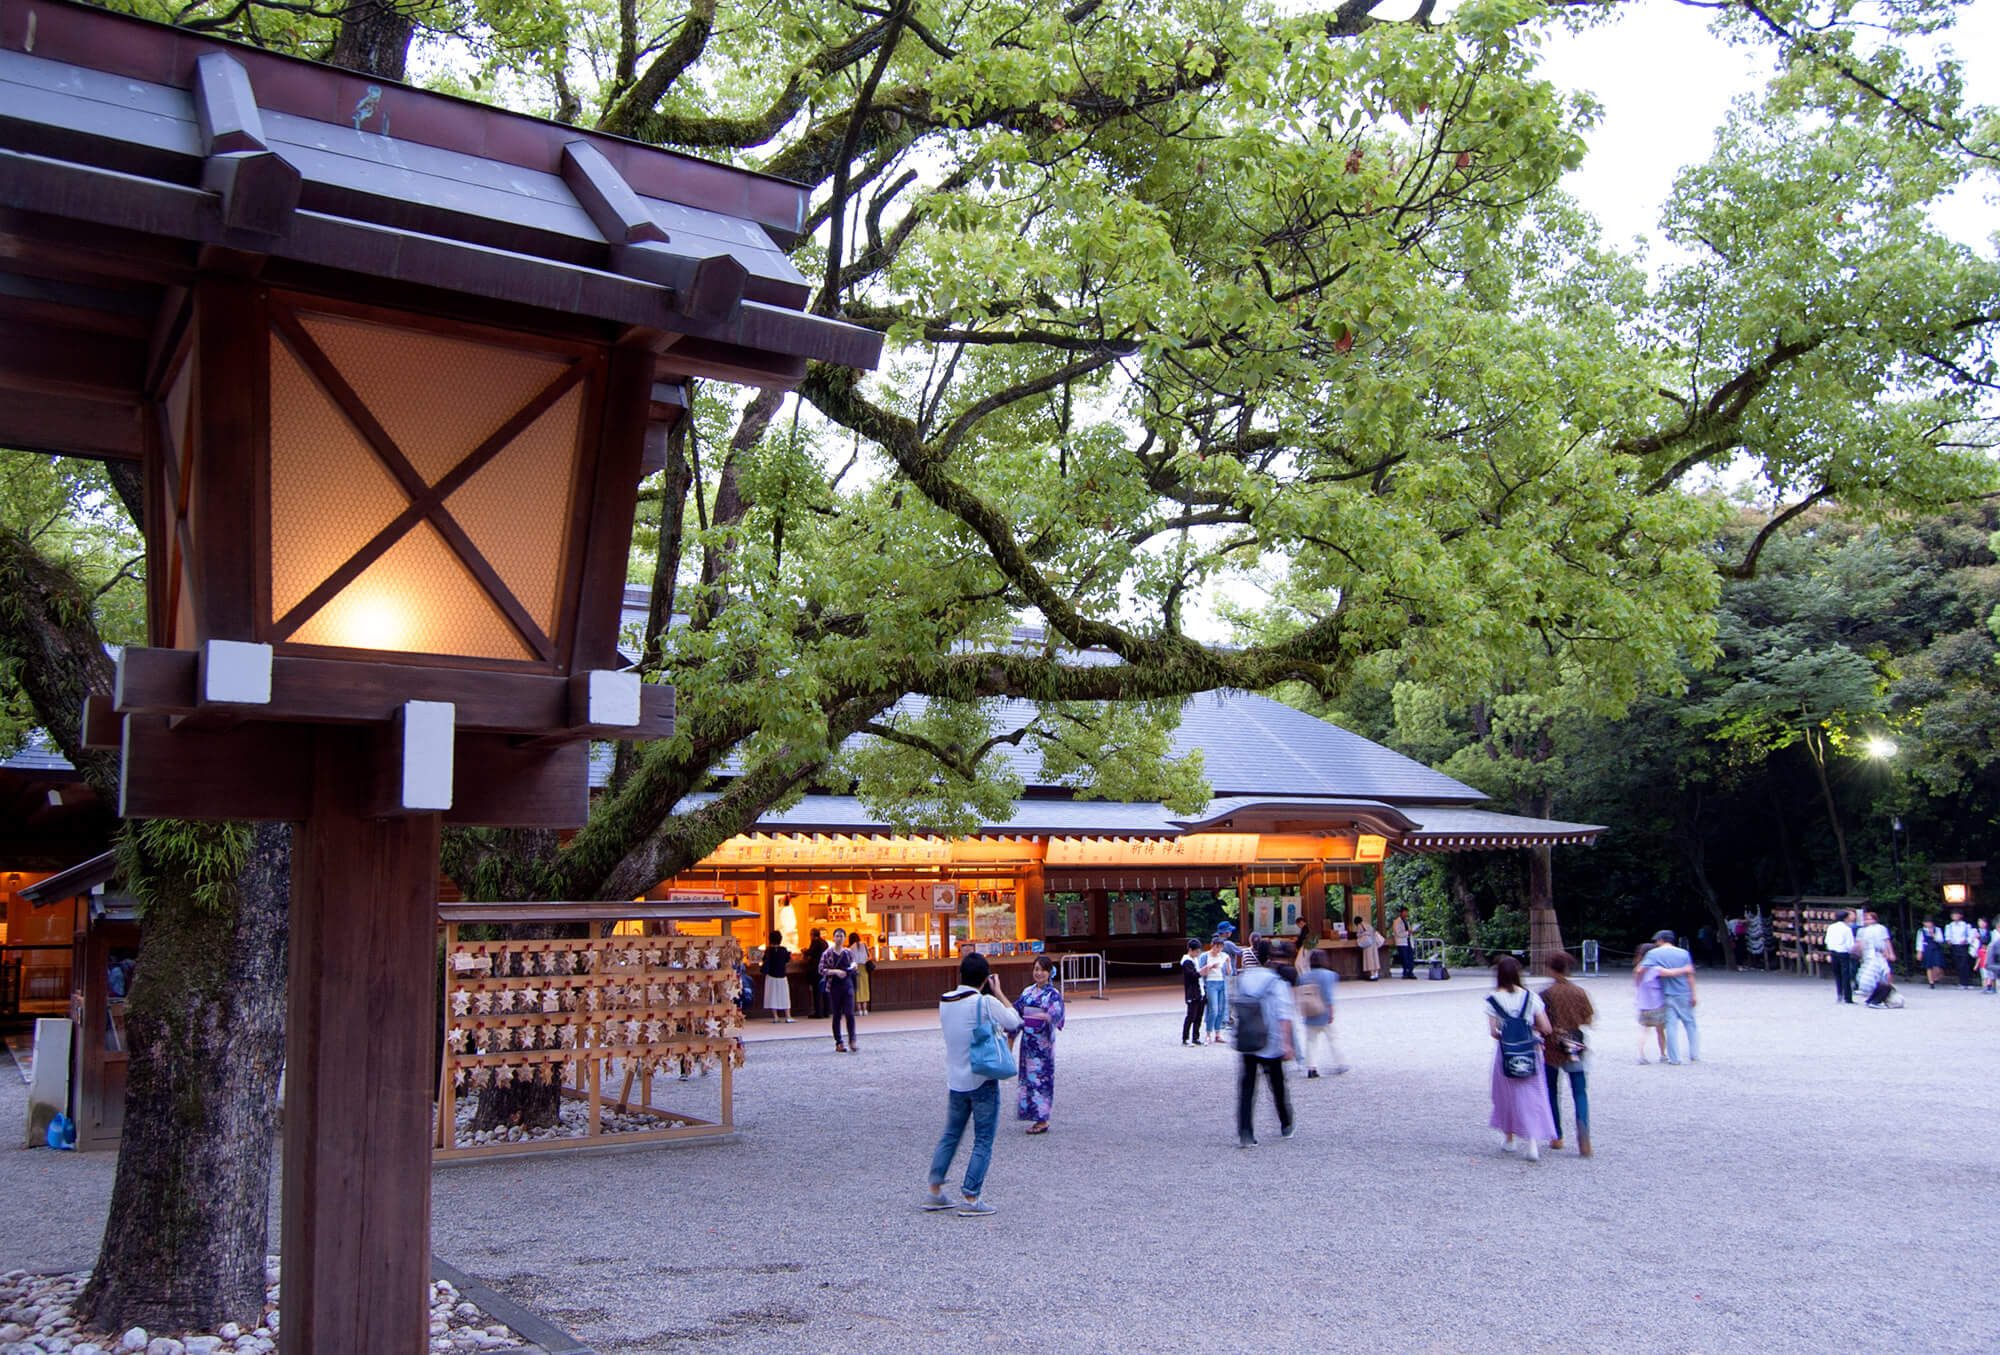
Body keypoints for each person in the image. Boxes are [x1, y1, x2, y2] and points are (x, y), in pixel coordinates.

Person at [921, 953, 1022, 1217]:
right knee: (983, 1138)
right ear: (986, 978)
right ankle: (971, 1195)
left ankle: (934, 1190)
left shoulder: (945, 1001)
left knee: (951, 1134)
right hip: (981, 1078)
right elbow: (1014, 1021)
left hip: (955, 1079)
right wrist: (998, 992)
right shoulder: (985, 1003)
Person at [1485, 954, 1557, 1161]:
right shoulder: (1531, 997)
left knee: (1506, 1094)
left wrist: (1507, 1032)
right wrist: (1528, 1028)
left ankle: (1510, 1138)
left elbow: (1493, 1032)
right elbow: (1546, 1027)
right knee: (1532, 1095)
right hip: (1529, 1051)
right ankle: (1533, 1142)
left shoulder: (1493, 999)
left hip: (1506, 1052)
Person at [1235, 938, 1298, 1148]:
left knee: (1247, 1086)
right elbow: (1284, 1014)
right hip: (1270, 1040)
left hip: (1248, 1037)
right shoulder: (1276, 982)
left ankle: (1245, 1130)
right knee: (1277, 1084)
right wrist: (1288, 1043)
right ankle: (1286, 1122)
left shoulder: (1244, 978)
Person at [1539, 951, 1594, 1157]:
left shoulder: (1545, 994)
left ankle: (1556, 1135)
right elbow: (1587, 1019)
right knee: (1580, 1091)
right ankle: (1584, 1131)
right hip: (1575, 1045)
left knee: (1552, 1091)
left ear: (1551, 969)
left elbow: (1540, 1021)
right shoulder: (1579, 992)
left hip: (1552, 1047)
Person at [1012, 956, 1066, 1133]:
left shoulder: (1053, 995)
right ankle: (1033, 1115)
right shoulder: (1027, 992)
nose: (1038, 973)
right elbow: (1016, 1012)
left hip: (1042, 1045)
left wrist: (1040, 1017)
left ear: (1049, 972)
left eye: (1042, 969)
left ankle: (1042, 1119)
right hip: (1028, 1043)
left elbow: (1056, 1016)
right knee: (1028, 1079)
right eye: (1036, 969)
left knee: (1041, 1080)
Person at [1639, 929, 1698, 1065]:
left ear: (1661, 940)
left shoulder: (1654, 954)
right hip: (1683, 992)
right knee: (1690, 1024)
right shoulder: (1684, 953)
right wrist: (1693, 994)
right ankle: (1694, 1054)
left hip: (1666, 993)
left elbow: (1640, 970)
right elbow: (1690, 975)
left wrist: (1640, 987)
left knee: (1671, 1026)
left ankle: (1674, 1058)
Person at [1297, 949, 1345, 1078]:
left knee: (1311, 1041)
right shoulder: (1330, 975)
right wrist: (1331, 1012)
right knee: (1333, 1038)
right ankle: (1340, 1063)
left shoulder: (1303, 976)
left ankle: (1311, 1067)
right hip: (1324, 1012)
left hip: (1310, 1012)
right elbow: (1329, 996)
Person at [821, 927, 857, 1052]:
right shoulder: (827, 953)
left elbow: (853, 964)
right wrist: (835, 971)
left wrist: (853, 967)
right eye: (837, 936)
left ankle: (852, 1039)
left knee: (850, 1013)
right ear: (833, 937)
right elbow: (821, 969)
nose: (839, 938)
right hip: (834, 986)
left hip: (847, 985)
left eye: (842, 936)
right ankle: (839, 1042)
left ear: (844, 938)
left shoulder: (848, 953)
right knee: (837, 1015)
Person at [1856, 910, 1900, 1007]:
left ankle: (1886, 990)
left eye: (1869, 919)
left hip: (1879, 953)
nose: (1867, 921)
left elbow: (1886, 941)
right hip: (1868, 954)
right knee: (1870, 975)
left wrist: (1890, 953)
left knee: (1885, 972)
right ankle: (1875, 996)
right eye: (1866, 919)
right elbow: (1860, 944)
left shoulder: (1881, 928)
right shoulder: (1862, 930)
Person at [1633, 942, 1667, 1063]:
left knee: (1644, 1030)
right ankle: (1663, 1054)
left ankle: (1641, 1055)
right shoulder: (1656, 969)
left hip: (1643, 1004)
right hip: (1657, 1004)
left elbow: (1637, 983)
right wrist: (1685, 969)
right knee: (1660, 1031)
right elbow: (1671, 974)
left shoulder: (1638, 969)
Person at [1199, 935, 1232, 1044]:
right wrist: (1211, 967)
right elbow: (1201, 972)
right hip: (1211, 982)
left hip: (1221, 982)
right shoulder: (1205, 956)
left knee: (1221, 1009)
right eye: (1217, 947)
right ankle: (1208, 1033)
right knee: (1214, 1009)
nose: (1219, 950)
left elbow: (1228, 972)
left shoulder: (1223, 956)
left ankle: (1218, 1033)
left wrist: (1228, 962)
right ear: (1212, 946)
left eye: (1221, 947)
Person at [1823, 909, 1857, 1005]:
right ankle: (1848, 997)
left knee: (1837, 974)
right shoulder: (1846, 929)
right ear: (1845, 918)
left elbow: (1827, 940)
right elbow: (1850, 943)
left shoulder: (1831, 927)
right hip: (1843, 952)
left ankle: (1839, 994)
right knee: (1845, 974)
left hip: (1833, 951)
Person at [760, 930, 794, 1023]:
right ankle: (788, 1016)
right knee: (785, 995)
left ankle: (775, 1016)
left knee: (772, 996)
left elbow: (764, 960)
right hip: (782, 975)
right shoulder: (783, 950)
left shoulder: (768, 951)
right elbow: (788, 960)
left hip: (771, 976)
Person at [1180, 939, 1207, 1045]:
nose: (1197, 954)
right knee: (1191, 1015)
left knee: (1199, 1016)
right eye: (1196, 952)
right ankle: (1185, 1038)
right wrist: (1202, 972)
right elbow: (1192, 976)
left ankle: (1195, 1037)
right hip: (1192, 992)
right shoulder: (1187, 961)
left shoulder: (1195, 960)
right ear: (1190, 950)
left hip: (1199, 991)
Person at [1944, 910, 1976, 988]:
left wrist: (1966, 940)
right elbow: (1947, 936)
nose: (1954, 916)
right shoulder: (1949, 926)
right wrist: (1949, 940)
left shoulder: (1965, 925)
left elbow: (1971, 936)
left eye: (1956, 914)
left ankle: (1968, 982)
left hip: (1964, 946)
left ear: (1960, 916)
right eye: (1953, 915)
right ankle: (1961, 982)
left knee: (1965, 964)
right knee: (1958, 964)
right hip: (1955, 946)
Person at [805, 928, 829, 1020]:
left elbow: (811, 952)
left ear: (812, 935)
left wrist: (804, 951)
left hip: (816, 969)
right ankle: (826, 1011)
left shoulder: (815, 942)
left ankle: (818, 1012)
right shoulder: (825, 943)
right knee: (825, 991)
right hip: (825, 968)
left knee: (817, 991)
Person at [1352, 914, 1383, 980]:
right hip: (1373, 943)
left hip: (1367, 944)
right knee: (1375, 958)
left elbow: (1358, 935)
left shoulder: (1360, 926)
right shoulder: (1368, 925)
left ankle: (1372, 975)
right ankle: (1376, 974)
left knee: (1369, 959)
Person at [1918, 918, 1947, 988]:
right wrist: (1919, 952)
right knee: (1929, 966)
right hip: (1927, 949)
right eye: (1926, 922)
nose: (1928, 924)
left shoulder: (1937, 929)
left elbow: (1940, 940)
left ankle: (1936, 977)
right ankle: (1931, 982)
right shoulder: (1921, 931)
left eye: (1929, 922)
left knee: (1938, 964)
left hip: (1936, 948)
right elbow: (1919, 942)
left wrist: (1933, 934)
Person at [852, 931, 874, 1014]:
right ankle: (865, 1009)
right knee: (865, 988)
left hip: (856, 969)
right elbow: (869, 956)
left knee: (857, 989)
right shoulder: (864, 945)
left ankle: (859, 1010)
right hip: (864, 968)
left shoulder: (851, 947)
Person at [1391, 905, 1416, 980]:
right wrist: (1407, 932)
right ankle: (1405, 972)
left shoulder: (1406, 921)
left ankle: (1410, 972)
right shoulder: (1397, 922)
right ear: (1401, 913)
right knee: (1404, 958)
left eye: (1407, 912)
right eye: (1405, 912)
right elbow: (1398, 933)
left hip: (1408, 941)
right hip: (1401, 942)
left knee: (1410, 957)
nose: (1406, 914)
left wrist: (1410, 932)